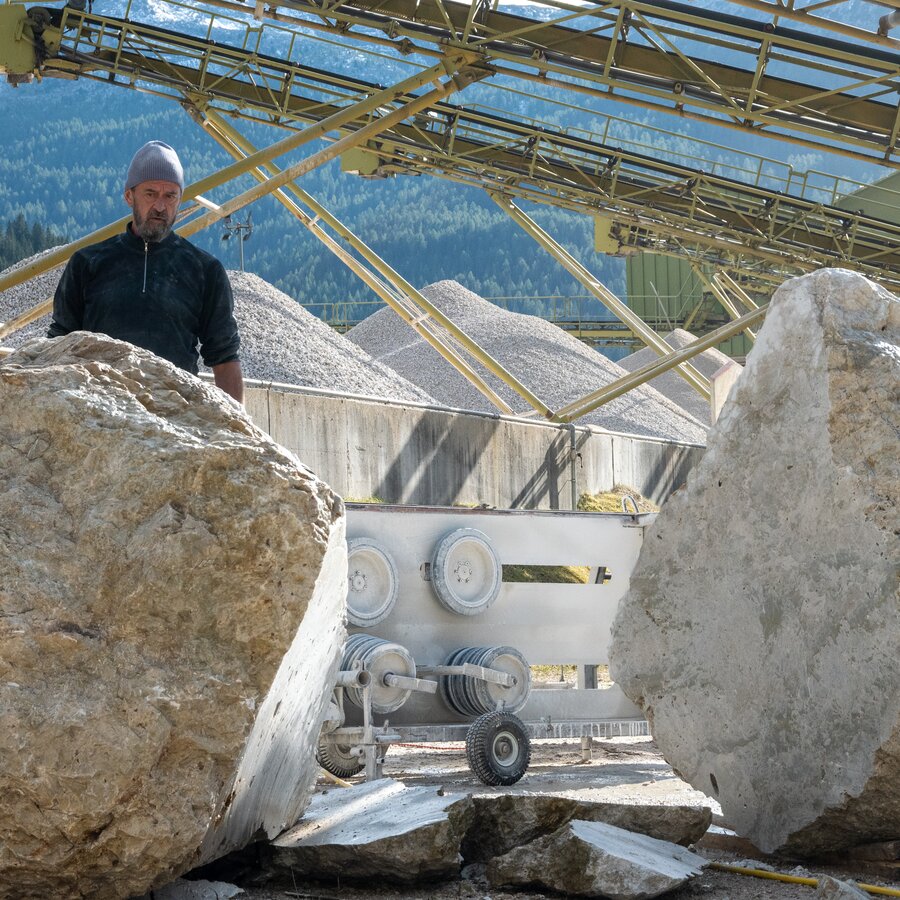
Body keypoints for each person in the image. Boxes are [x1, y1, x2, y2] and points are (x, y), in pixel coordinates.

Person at [48, 141, 244, 403]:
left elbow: (225, 357)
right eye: (150, 194)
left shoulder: (205, 271)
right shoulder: (87, 263)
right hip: (100, 414)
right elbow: (59, 344)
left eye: (170, 195)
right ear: (129, 196)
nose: (161, 207)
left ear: (180, 199)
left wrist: (235, 430)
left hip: (175, 419)